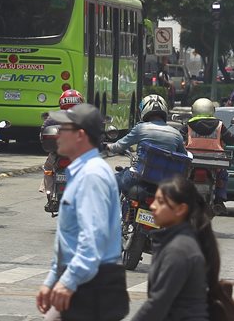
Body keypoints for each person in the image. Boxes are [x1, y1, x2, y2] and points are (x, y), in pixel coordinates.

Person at [37, 103, 128, 321]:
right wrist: (53, 279)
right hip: (80, 278)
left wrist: (67, 282)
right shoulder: (80, 172)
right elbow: (68, 240)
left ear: (80, 135)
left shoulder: (91, 176)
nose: (57, 134)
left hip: (92, 286)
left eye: (63, 129)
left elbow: (92, 240)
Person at [130, 173, 215, 321]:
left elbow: (158, 302)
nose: (152, 206)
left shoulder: (178, 250)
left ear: (180, 209)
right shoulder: (172, 242)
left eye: (161, 202)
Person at [108, 95, 187, 196]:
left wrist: (109, 147)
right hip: (166, 182)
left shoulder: (140, 128)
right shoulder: (176, 133)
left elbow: (119, 146)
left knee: (113, 181)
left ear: (144, 110)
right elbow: (183, 157)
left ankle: (114, 211)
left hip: (139, 177)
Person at [183, 98, 234, 215]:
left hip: (192, 159)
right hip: (215, 161)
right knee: (223, 176)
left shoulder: (189, 124)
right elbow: (232, 139)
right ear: (212, 110)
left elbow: (178, 137)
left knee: (181, 174)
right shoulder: (219, 125)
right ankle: (219, 200)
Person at [42, 89, 85, 198]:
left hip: (57, 155)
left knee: (48, 168)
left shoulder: (53, 117)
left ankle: (49, 193)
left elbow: (43, 131)